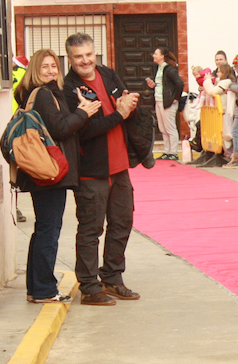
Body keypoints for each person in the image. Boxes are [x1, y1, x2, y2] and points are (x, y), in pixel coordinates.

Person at [13, 48, 100, 303]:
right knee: (49, 231)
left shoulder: (39, 93)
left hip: (43, 171)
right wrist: (84, 113)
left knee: (43, 229)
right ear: (35, 70)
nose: (51, 71)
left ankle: (36, 287)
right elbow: (60, 129)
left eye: (54, 66)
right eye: (45, 67)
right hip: (49, 171)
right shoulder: (43, 94)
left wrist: (79, 110)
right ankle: (44, 290)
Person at [63, 32, 143, 306]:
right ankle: (89, 287)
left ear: (95, 53)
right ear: (70, 58)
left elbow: (126, 107)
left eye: (89, 54)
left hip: (119, 167)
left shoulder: (108, 74)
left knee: (122, 222)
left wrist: (128, 106)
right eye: (78, 56)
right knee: (90, 230)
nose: (85, 60)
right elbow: (84, 131)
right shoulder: (69, 88)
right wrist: (118, 114)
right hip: (91, 171)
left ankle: (112, 277)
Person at [145, 47, 183, 161]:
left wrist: (176, 98)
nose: (153, 56)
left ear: (162, 56)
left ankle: (174, 152)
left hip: (167, 102)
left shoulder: (169, 69)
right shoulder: (159, 68)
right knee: (162, 128)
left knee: (170, 127)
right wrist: (153, 85)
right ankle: (167, 151)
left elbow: (180, 83)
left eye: (155, 54)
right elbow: (163, 84)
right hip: (159, 100)